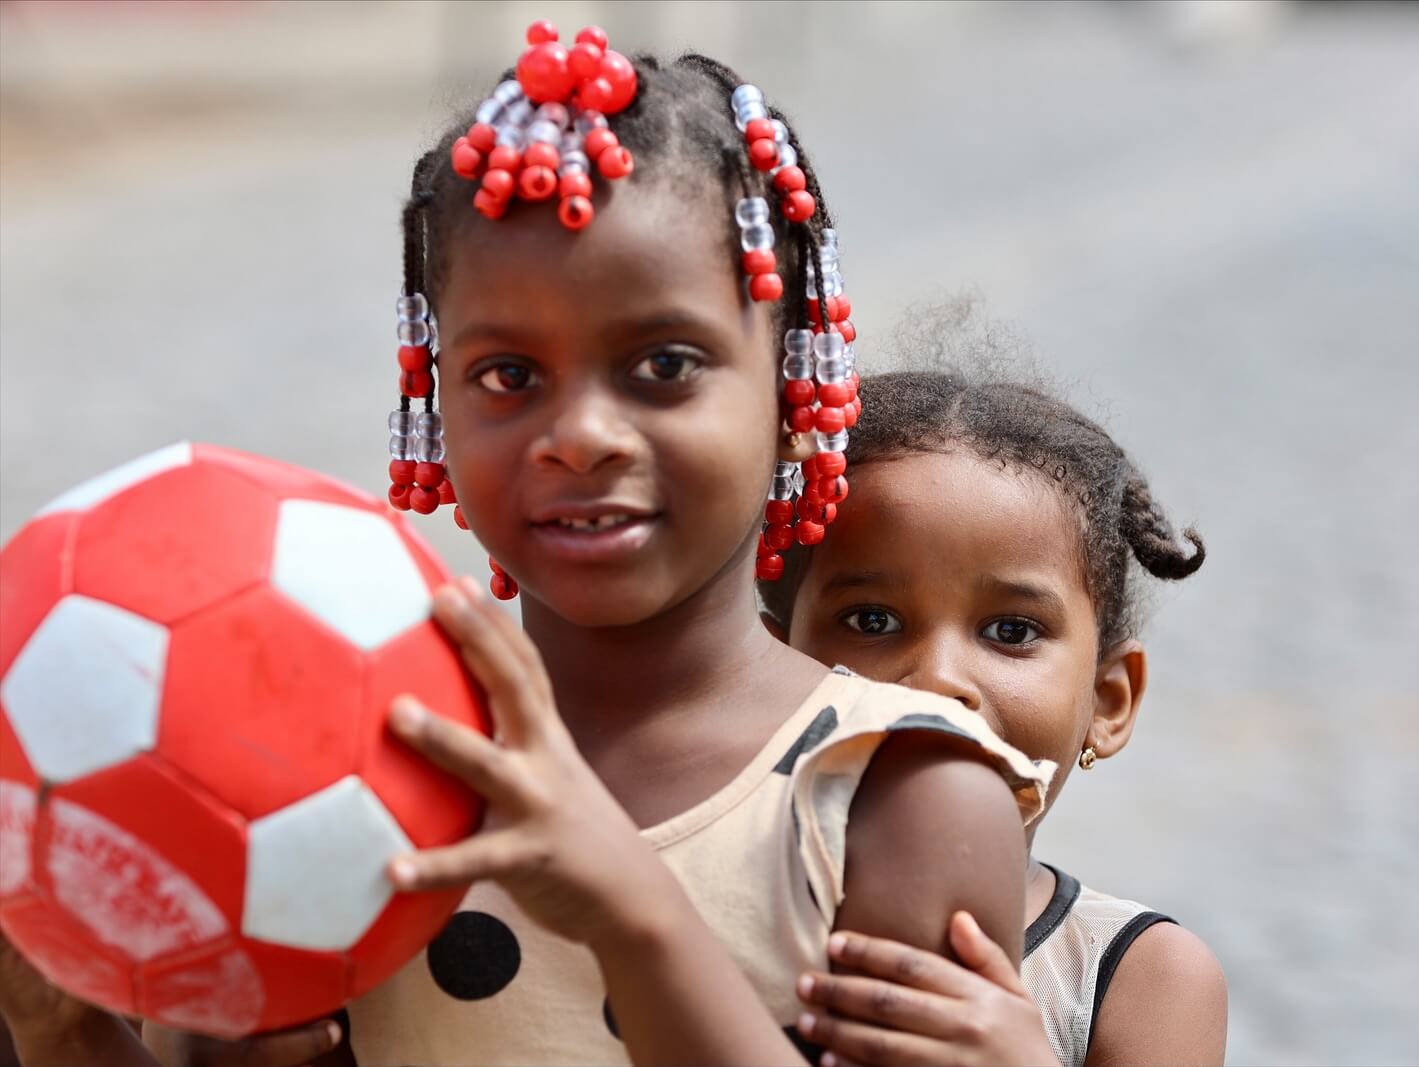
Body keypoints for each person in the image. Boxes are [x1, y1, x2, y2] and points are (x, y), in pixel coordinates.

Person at [0, 22, 1048, 1067]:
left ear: (792, 382)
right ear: (433, 393)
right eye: (507, 375)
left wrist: (628, 909)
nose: (580, 435)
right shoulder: (339, 753)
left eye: (666, 364)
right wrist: (68, 1033)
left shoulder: (901, 789)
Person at [759, 335, 1229, 1066]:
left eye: (1011, 630)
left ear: (1107, 701)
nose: (940, 679)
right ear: (771, 662)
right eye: (872, 620)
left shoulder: (1139, 979)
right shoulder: (693, 908)